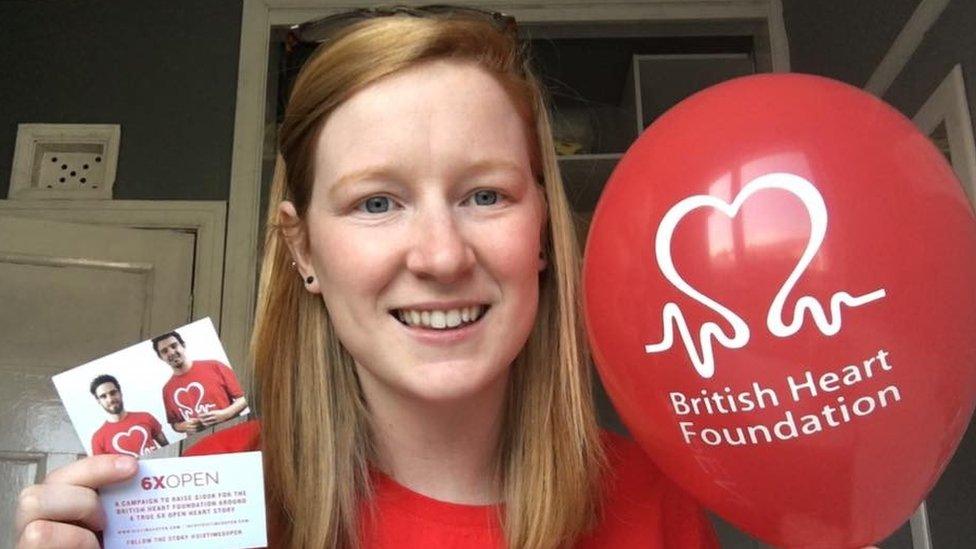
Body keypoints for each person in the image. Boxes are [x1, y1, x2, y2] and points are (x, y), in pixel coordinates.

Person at [14, 6, 881, 548]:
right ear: (303, 250)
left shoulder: (653, 509)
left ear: (541, 229)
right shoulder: (198, 504)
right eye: (377, 203)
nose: (439, 254)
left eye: (484, 193)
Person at [151, 330, 249, 433]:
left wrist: (225, 414)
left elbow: (246, 398)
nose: (171, 352)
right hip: (200, 444)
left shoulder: (215, 366)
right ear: (161, 357)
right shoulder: (167, 390)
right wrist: (184, 426)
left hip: (233, 433)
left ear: (183, 345)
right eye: (164, 351)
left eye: (174, 346)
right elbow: (175, 424)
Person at [88, 374, 168, 457]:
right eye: (103, 396)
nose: (110, 399)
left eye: (113, 393)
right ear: (98, 401)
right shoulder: (98, 438)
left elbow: (167, 447)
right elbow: (104, 469)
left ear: (120, 393)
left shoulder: (145, 417)